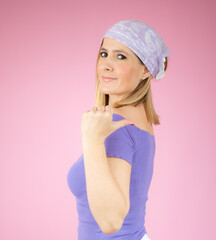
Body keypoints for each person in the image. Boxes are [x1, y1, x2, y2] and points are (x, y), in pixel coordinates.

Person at [67, 19, 171, 240]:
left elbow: (111, 221)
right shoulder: (138, 122)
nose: (106, 64)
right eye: (104, 54)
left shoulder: (118, 126)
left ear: (145, 70)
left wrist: (91, 139)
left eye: (120, 56)